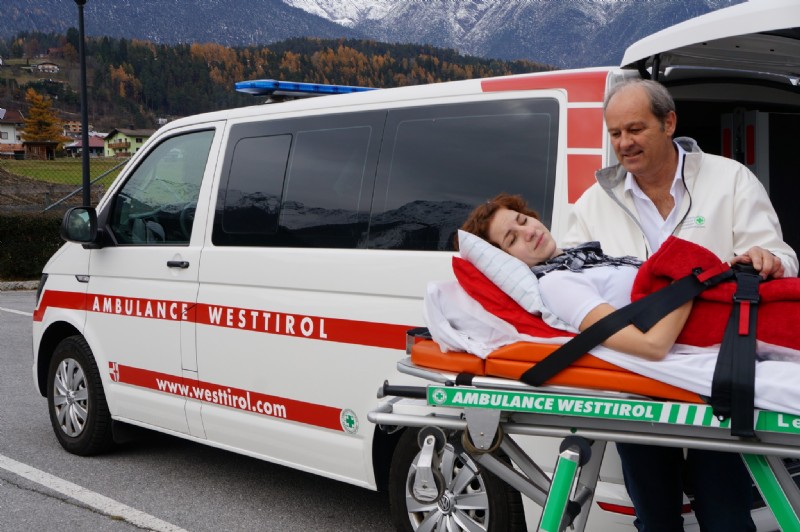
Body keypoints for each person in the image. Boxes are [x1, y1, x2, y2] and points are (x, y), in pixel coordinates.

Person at [560, 78, 798, 531]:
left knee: (727, 516)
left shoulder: (729, 179)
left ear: (669, 123)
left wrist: (769, 260)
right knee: (655, 518)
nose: (624, 143)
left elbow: (779, 254)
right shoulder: (593, 203)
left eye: (635, 129)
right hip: (637, 378)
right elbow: (573, 274)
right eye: (615, 133)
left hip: (717, 374)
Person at [460, 192, 693, 361]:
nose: (529, 232)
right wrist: (689, 283)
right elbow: (651, 346)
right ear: (506, 259)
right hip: (698, 345)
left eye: (523, 220)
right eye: (512, 239)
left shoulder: (580, 259)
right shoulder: (556, 283)